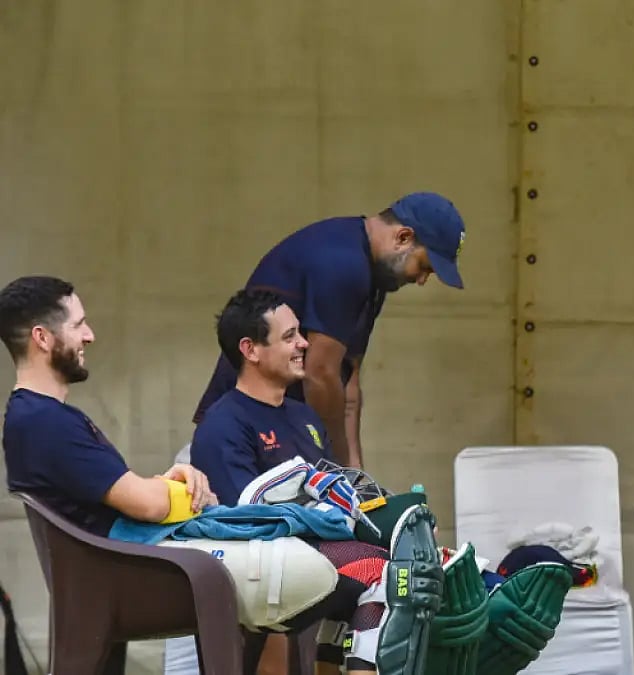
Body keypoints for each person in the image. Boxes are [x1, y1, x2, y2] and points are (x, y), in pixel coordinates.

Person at [0, 276, 443, 675]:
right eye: (79, 324)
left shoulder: (41, 418)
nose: (89, 335)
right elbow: (149, 505)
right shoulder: (44, 422)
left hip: (141, 565)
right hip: (147, 572)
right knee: (382, 573)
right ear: (42, 337)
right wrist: (173, 486)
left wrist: (165, 481)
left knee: (372, 570)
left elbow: (125, 494)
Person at [189, 287, 574, 675]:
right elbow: (245, 518)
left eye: (300, 333)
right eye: (289, 337)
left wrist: (400, 522)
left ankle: (482, 608)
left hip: (321, 553)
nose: (304, 343)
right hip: (263, 565)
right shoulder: (222, 425)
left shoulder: (303, 418)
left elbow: (337, 495)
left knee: (422, 560)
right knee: (396, 576)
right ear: (250, 349)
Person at [191, 191, 468, 471]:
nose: (420, 280)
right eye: (424, 266)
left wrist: (354, 472)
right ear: (403, 238)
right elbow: (320, 373)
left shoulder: (374, 277)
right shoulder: (343, 263)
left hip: (287, 445)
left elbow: (347, 380)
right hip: (242, 442)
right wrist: (335, 466)